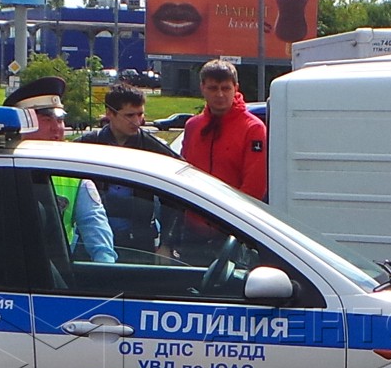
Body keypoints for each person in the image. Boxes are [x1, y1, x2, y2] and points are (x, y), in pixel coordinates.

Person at [5, 75, 115, 264]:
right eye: (47, 119)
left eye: (60, 120)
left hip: (54, 276)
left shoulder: (75, 176)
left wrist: (107, 270)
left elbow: (97, 234)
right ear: (24, 123)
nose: (57, 128)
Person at [77, 85, 177, 254]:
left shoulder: (152, 147)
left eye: (140, 114)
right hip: (92, 238)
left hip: (138, 242)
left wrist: (167, 242)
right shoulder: (87, 145)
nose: (137, 122)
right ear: (110, 113)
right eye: (130, 115)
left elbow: (175, 195)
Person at [180, 58, 267, 200]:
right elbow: (184, 173)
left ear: (236, 88)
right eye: (213, 88)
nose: (220, 95)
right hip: (193, 215)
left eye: (226, 88)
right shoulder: (193, 126)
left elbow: (254, 187)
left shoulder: (253, 128)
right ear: (202, 88)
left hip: (230, 218)